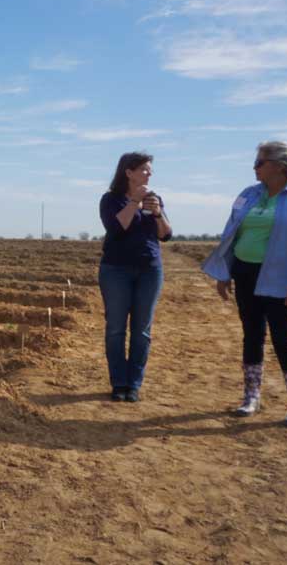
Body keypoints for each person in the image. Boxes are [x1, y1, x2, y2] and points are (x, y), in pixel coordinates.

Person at [202, 141, 287, 428]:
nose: (254, 168)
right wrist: (224, 271)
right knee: (252, 335)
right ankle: (251, 397)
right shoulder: (249, 194)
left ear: (279, 167)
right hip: (246, 273)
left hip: (281, 278)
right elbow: (231, 233)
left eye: (259, 163)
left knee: (283, 340)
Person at [98, 152, 173, 402]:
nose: (149, 174)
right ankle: (118, 383)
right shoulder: (111, 200)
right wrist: (134, 203)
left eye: (150, 170)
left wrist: (159, 213)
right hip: (116, 270)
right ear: (128, 172)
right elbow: (118, 228)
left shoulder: (155, 200)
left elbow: (166, 235)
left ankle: (134, 385)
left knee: (142, 330)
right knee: (116, 329)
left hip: (149, 270)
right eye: (144, 169)